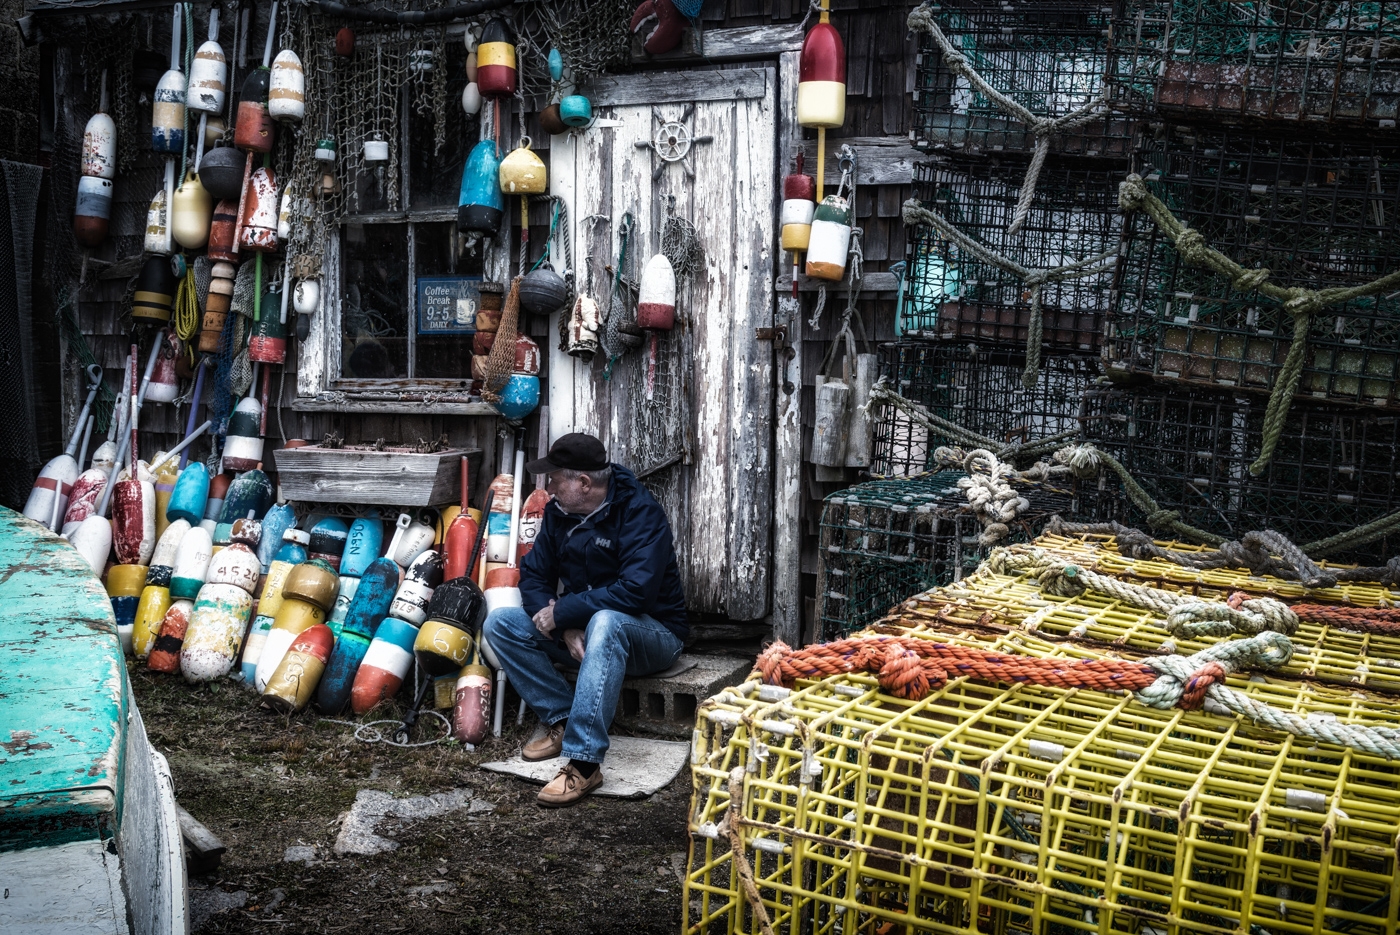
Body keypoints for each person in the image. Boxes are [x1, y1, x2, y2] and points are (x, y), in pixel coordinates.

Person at [483, 433, 687, 807]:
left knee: (607, 621)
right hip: (585, 635)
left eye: (554, 479)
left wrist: (564, 612)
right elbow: (534, 577)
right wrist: (564, 626)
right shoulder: (560, 514)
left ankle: (585, 763)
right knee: (501, 624)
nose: (547, 488)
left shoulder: (640, 513)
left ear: (583, 483)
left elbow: (635, 593)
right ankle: (563, 717)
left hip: (653, 636)